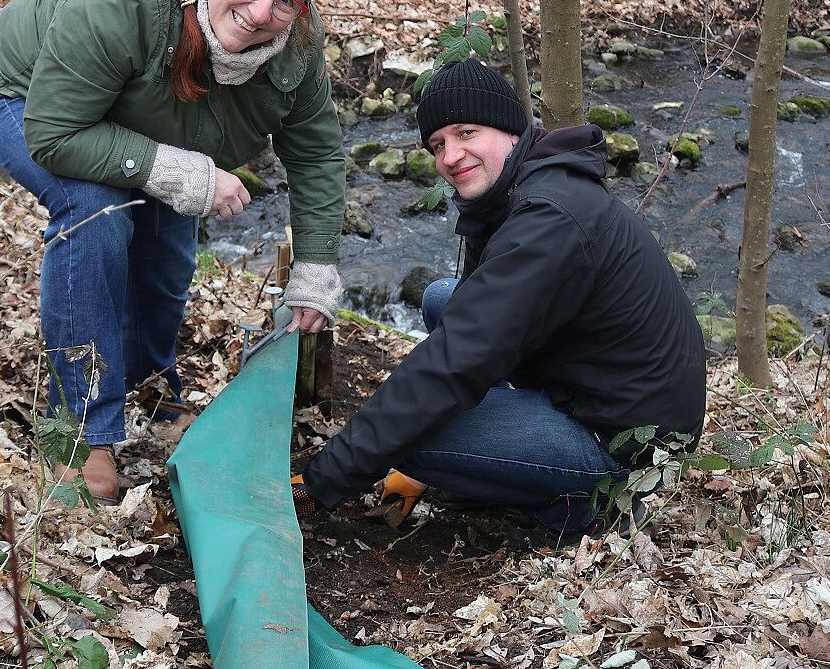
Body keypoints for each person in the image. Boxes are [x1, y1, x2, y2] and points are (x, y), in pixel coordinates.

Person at [0, 0, 346, 501]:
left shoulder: (297, 44)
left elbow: (317, 152)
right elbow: (54, 132)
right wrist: (175, 170)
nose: (260, 11)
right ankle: (80, 432)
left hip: (152, 120)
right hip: (29, 97)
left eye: (286, 1)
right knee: (98, 210)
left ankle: (147, 384)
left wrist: (316, 264)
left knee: (167, 247)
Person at [292, 60, 707, 542]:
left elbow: (456, 359)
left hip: (626, 450)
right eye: (438, 144)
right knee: (442, 301)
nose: (451, 156)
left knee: (410, 441)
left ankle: (580, 507)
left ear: (510, 129)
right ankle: (514, 459)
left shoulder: (549, 217)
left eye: (467, 132)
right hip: (597, 389)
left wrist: (327, 479)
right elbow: (471, 325)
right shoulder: (518, 188)